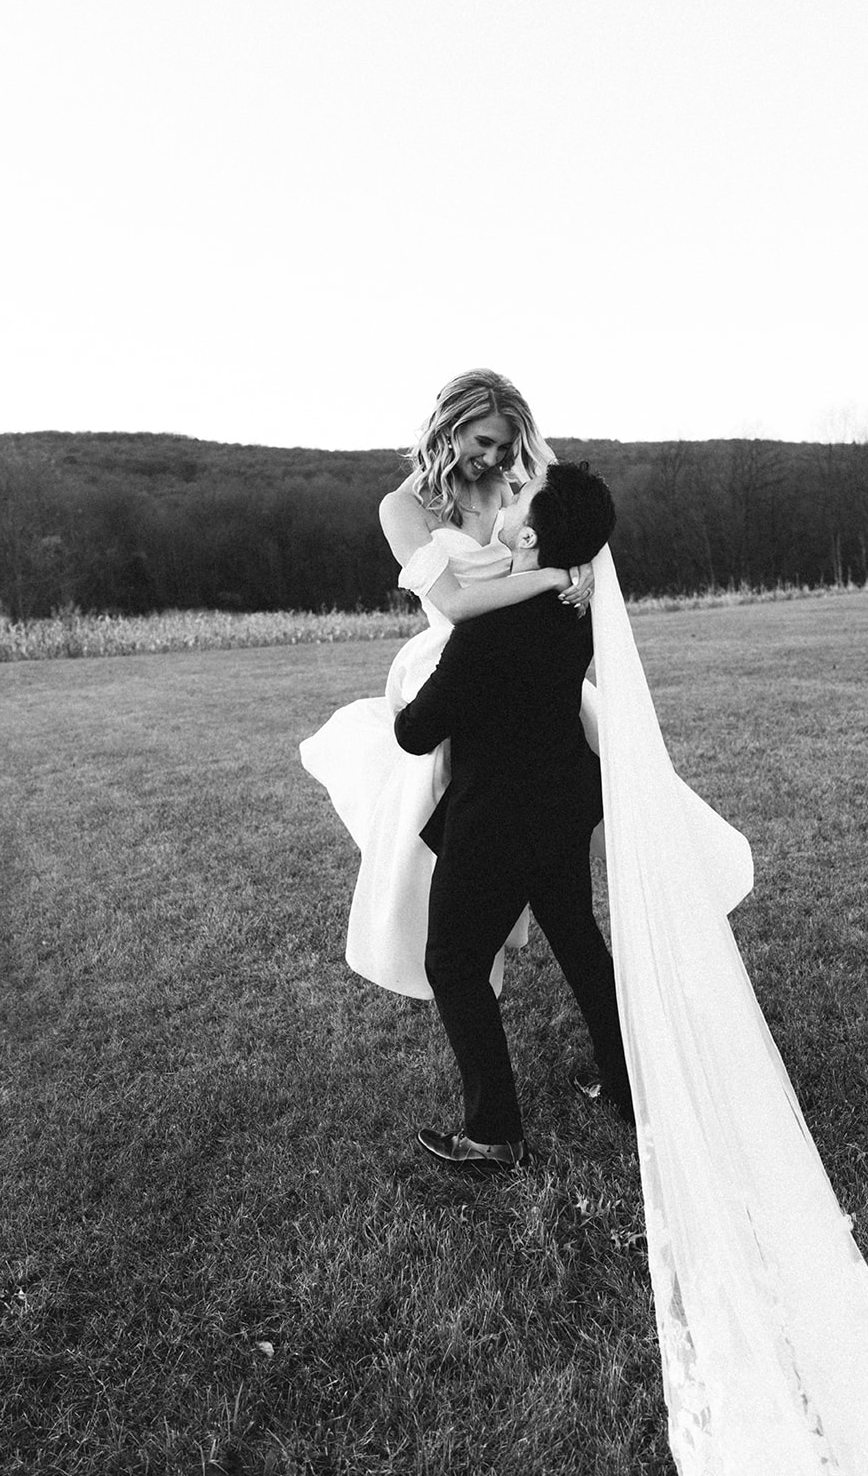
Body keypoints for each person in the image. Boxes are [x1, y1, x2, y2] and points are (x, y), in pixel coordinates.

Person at [299, 369, 594, 999]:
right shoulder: (403, 508)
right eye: (482, 441)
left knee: (553, 826)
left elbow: (569, 524)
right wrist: (548, 579)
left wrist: (585, 567)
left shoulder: (515, 483)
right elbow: (456, 602)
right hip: (458, 664)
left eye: (504, 446)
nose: (492, 459)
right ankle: (454, 954)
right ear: (449, 427)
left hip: (532, 669)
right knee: (464, 832)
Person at [393, 462, 631, 1166]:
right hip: (561, 803)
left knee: (454, 963)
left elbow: (415, 733)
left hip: (495, 817)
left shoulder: (489, 627)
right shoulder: (576, 611)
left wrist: (404, 690)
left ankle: (492, 1133)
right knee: (578, 940)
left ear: (527, 533)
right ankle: (624, 1083)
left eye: (521, 496)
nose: (507, 497)